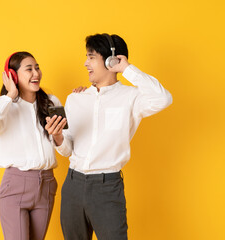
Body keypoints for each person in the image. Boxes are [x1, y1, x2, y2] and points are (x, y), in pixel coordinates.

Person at [45, 33, 173, 240]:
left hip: (107, 187)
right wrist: (58, 136)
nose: (85, 63)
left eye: (91, 57)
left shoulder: (131, 97)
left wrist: (126, 69)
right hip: (73, 185)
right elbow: (67, 149)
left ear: (110, 60)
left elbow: (163, 98)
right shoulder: (76, 98)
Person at [0, 51, 66, 240]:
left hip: (47, 184)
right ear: (13, 75)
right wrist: (9, 95)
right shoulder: (5, 107)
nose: (36, 73)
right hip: (16, 185)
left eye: (37, 68)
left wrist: (57, 135)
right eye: (29, 69)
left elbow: (67, 149)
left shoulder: (52, 103)